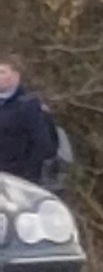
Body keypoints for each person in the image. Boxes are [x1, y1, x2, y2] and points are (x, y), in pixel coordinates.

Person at [0, 53, 58, 185]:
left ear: (16, 75)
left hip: (16, 183)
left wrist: (26, 176)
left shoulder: (28, 106)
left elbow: (43, 145)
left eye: (2, 72)